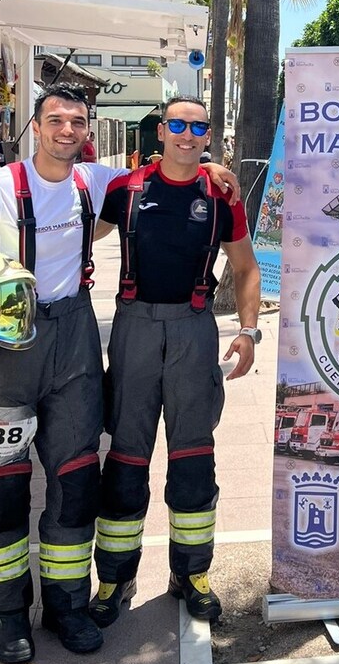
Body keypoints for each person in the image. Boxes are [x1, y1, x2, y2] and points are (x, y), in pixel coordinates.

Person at [0, 85, 238, 664]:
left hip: (77, 342)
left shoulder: (97, 183)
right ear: (35, 126)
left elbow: (171, 171)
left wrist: (208, 162)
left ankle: (67, 604)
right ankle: (9, 613)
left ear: (89, 130)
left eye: (78, 122)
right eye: (56, 120)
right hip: (7, 345)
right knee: (4, 481)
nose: (68, 130)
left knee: (77, 477)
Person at [87, 96, 261, 630]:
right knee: (126, 461)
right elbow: (70, 227)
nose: (188, 134)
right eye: (178, 124)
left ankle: (191, 575)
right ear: (161, 131)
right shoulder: (125, 189)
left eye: (198, 127)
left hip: (194, 330)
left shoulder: (221, 194)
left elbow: (247, 267)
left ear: (209, 135)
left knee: (193, 459)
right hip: (135, 330)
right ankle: (115, 578)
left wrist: (249, 331)